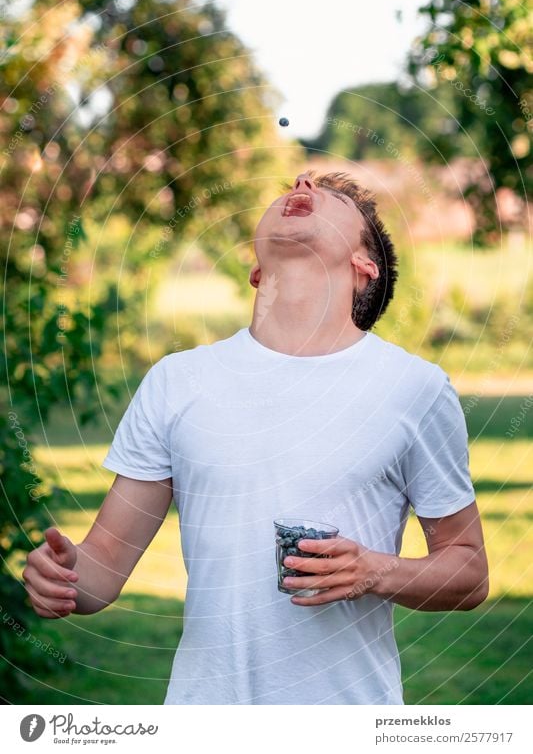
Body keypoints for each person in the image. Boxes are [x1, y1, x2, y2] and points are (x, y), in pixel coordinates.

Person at [23, 170, 489, 705]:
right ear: (256, 269)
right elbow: (102, 568)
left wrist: (374, 570)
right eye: (292, 188)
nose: (303, 182)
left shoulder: (414, 388)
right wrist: (64, 576)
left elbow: (469, 571)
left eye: (331, 198)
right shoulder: (178, 381)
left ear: (365, 268)